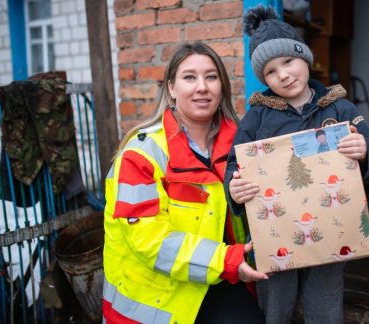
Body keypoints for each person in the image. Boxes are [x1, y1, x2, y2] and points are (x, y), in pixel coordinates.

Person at [224, 6, 369, 323]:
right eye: (270, 71)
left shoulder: (339, 106)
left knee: (325, 298)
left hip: (331, 227)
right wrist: (235, 185)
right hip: (277, 230)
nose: (283, 74)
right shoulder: (257, 116)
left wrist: (364, 148)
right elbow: (235, 162)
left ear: (305, 58)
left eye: (288, 61)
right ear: (264, 79)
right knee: (275, 301)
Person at [102, 42, 267, 324]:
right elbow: (150, 241)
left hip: (221, 279)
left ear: (222, 87)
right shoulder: (140, 155)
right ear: (171, 89)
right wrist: (227, 261)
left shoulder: (244, 147)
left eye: (211, 77)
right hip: (157, 297)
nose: (202, 87)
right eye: (190, 77)